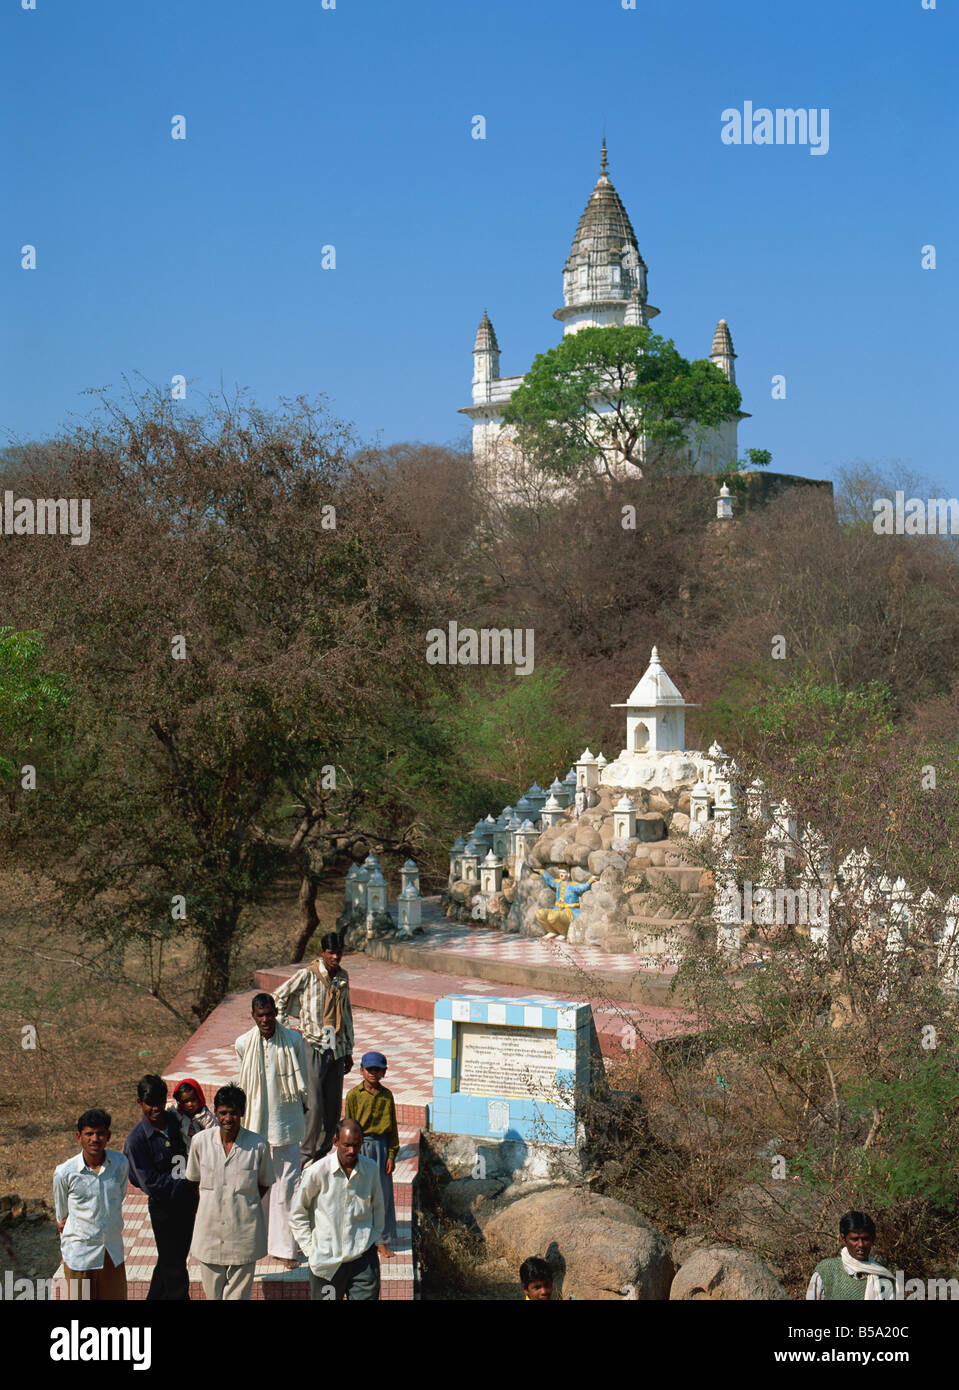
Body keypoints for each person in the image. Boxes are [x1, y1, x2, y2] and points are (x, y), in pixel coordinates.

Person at [235, 992, 308, 1269]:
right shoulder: (243, 1043)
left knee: (288, 1188)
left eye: (269, 1015)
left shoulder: (293, 1040)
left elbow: (302, 1084)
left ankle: (286, 1249)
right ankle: (258, 1242)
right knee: (257, 1186)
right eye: (260, 1016)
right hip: (256, 1127)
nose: (265, 1020)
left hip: (287, 1124)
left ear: (275, 1014)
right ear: (253, 1016)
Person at [184, 1084, 275, 1301]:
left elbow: (263, 1184)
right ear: (215, 1112)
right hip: (209, 1234)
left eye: (233, 1113)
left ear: (242, 1112)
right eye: (223, 1112)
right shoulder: (200, 1142)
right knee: (213, 1296)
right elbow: (193, 1181)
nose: (228, 1118)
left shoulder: (258, 1145)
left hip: (244, 1234)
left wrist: (242, 1203)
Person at [289, 1117, 394, 1300]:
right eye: (346, 1145)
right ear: (335, 1142)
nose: (352, 1151)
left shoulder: (370, 1169)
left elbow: (378, 1206)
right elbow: (298, 1214)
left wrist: (375, 1238)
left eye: (356, 1145)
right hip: (327, 1265)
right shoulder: (317, 1172)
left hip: (363, 1261)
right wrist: (310, 1249)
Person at [273, 932, 354, 1164]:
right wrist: (289, 1029)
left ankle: (321, 1153)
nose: (336, 957)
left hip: (336, 1048)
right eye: (331, 953)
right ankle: (305, 1155)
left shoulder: (343, 977)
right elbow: (278, 997)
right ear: (322, 952)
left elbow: (346, 1014)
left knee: (332, 1108)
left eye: (339, 952)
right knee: (314, 1105)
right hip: (314, 1045)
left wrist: (348, 1049)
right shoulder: (308, 975)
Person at [124, 1074, 198, 1301]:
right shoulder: (136, 1140)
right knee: (174, 1267)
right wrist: (185, 1183)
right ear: (140, 1103)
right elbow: (149, 1182)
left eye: (160, 1102)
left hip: (187, 1203)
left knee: (171, 1259)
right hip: (163, 1208)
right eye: (150, 1104)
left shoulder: (177, 1121)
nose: (156, 1108)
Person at [53, 1108, 129, 1301]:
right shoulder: (65, 1172)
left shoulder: (120, 1163)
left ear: (108, 1136)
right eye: (89, 1133)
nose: (95, 1139)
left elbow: (118, 1197)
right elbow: (62, 1216)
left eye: (100, 1133)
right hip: (80, 1255)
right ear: (79, 1137)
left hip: (111, 1251)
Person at [345, 1051, 399, 1246]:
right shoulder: (353, 1095)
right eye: (369, 1069)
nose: (373, 1073)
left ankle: (382, 1240)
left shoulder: (387, 1096)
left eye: (378, 1070)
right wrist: (349, 1153)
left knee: (382, 1194)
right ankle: (359, 1237)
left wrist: (391, 1154)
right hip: (360, 1148)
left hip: (381, 1148)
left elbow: (392, 1127)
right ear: (361, 1071)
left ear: (384, 1073)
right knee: (359, 1193)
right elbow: (348, 1126)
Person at [806, 1211, 898, 1300]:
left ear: (873, 1239)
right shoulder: (827, 1271)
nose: (861, 1244)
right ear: (843, 1239)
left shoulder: (883, 1278)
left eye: (865, 1239)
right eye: (854, 1239)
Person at [531, 866, 597, 938]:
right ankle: (552, 931)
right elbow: (550, 880)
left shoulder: (573, 885)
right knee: (540, 913)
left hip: (569, 912)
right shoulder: (558, 883)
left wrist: (591, 880)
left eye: (563, 873)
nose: (561, 874)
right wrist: (542, 871)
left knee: (553, 917)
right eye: (560, 873)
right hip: (557, 910)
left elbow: (584, 887)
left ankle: (564, 932)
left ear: (568, 875)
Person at [166, 1079, 215, 1148]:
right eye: (185, 1101)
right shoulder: (177, 1111)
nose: (190, 1104)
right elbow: (167, 1107)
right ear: (180, 1102)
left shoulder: (207, 1117)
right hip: (184, 1152)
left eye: (193, 1099)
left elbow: (214, 1137)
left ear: (199, 1098)